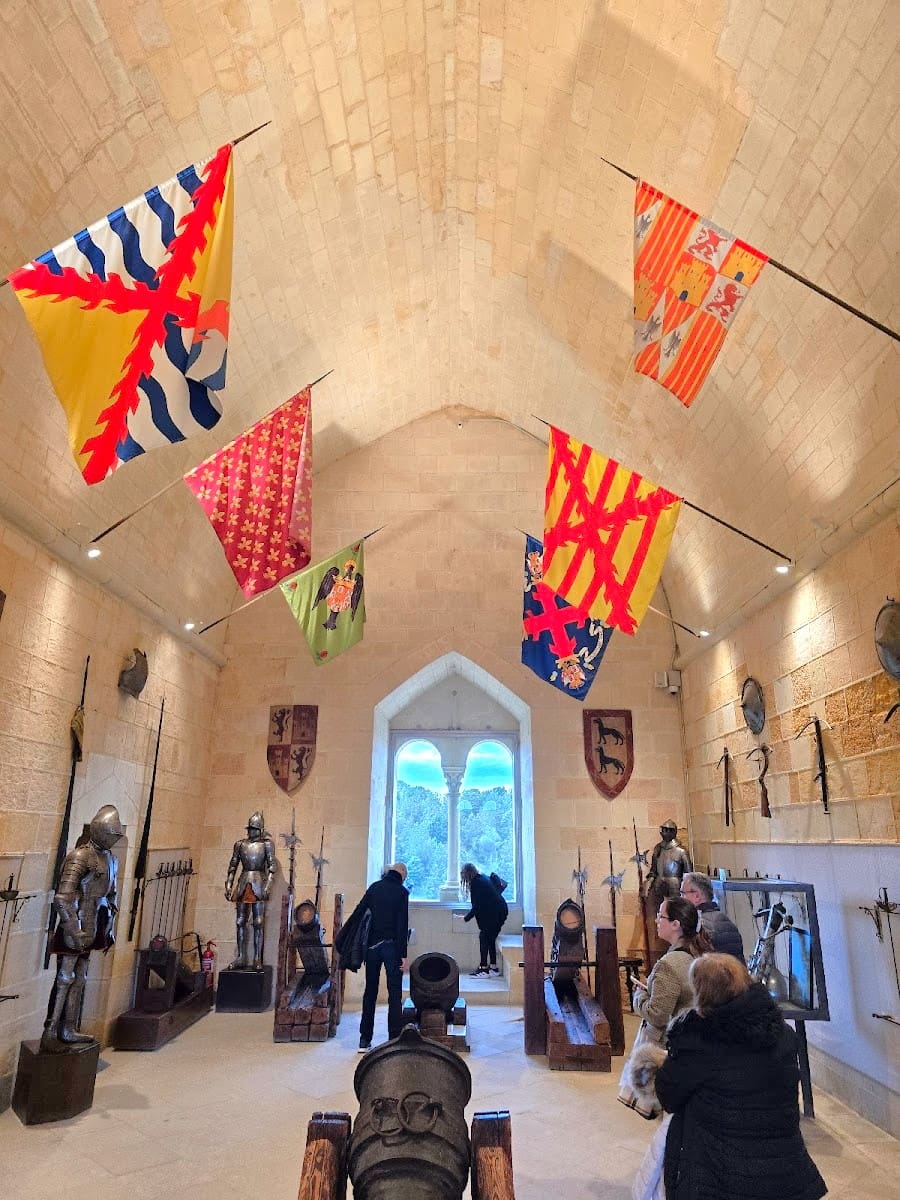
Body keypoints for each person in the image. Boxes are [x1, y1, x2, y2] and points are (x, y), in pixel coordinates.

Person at [654, 953, 827, 1200]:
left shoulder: (699, 1043)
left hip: (722, 1172)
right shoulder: (783, 1035)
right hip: (783, 1167)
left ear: (702, 994)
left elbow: (668, 1096)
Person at [618, 896, 712, 1117]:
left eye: (661, 916)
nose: (656, 921)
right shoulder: (696, 954)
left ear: (676, 925)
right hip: (693, 1040)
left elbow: (657, 1014)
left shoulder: (668, 965)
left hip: (670, 1047)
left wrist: (639, 997)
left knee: (668, 1116)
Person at [41, 805, 123, 1053]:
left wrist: (108, 926)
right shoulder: (80, 856)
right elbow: (63, 896)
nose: (113, 838)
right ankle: (50, 1030)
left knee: (81, 977)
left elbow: (111, 895)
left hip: (96, 921)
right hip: (76, 922)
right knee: (65, 977)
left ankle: (68, 1028)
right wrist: (73, 929)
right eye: (111, 833)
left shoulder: (112, 859)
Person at [347, 862, 410, 1052]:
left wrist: (348, 940)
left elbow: (359, 912)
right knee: (395, 993)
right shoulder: (402, 892)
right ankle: (394, 1039)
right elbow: (402, 925)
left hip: (372, 948)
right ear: (402, 873)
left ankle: (364, 1040)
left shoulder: (374, 887)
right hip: (392, 947)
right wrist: (403, 955)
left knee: (370, 992)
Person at [224, 810, 275, 970]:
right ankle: (240, 956)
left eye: (254, 828)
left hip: (259, 881)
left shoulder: (266, 845)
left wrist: (267, 886)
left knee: (258, 922)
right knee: (240, 921)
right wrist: (229, 885)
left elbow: (272, 867)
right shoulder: (240, 844)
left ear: (260, 829)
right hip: (244, 881)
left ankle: (257, 958)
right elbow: (233, 866)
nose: (251, 831)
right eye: (250, 829)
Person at [680, 871, 745, 961]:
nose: (680, 898)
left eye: (683, 893)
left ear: (697, 896)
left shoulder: (699, 926)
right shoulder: (725, 920)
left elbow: (702, 968)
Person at [460, 862, 508, 976]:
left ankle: (483, 968)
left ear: (466, 874)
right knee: (490, 938)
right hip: (501, 911)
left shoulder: (476, 883)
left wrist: (465, 918)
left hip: (495, 914)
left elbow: (477, 905)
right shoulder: (483, 878)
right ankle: (493, 968)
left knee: (484, 937)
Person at [645, 819, 692, 919]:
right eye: (664, 829)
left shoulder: (681, 851)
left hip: (675, 885)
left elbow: (688, 874)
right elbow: (653, 870)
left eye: (668, 830)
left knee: (676, 913)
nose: (664, 832)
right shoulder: (658, 848)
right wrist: (648, 883)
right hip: (659, 884)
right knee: (659, 915)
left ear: (673, 832)